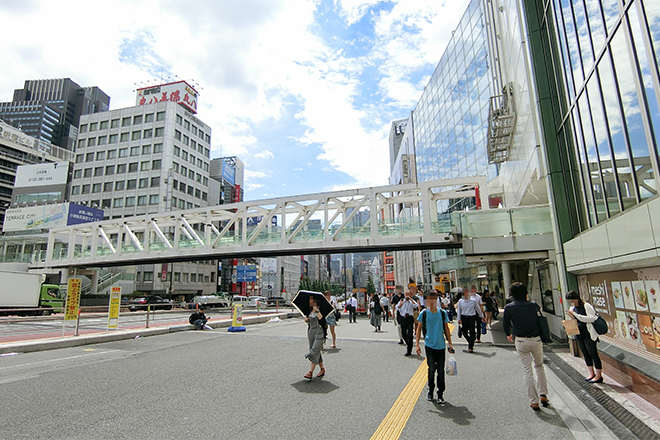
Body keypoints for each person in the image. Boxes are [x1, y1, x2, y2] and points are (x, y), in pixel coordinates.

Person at [503, 282, 549, 411]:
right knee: (539, 366)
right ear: (525, 293)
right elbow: (537, 311)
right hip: (536, 339)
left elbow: (506, 324)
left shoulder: (509, 307)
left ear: (512, 295)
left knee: (527, 370)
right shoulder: (533, 305)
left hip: (521, 340)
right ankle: (543, 395)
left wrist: (508, 334)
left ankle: (534, 401)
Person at [416, 289, 454, 404]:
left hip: (441, 345)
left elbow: (446, 329)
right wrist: (417, 345)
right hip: (429, 345)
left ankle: (440, 393)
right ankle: (431, 389)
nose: (432, 302)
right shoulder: (424, 313)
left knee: (441, 371)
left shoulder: (442, 313)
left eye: (434, 299)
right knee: (431, 369)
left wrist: (450, 343)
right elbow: (418, 329)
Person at [566, 290, 603, 383]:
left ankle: (599, 375)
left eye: (572, 300)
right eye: (569, 301)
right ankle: (591, 373)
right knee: (585, 353)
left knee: (593, 353)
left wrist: (576, 315)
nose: (571, 303)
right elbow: (574, 319)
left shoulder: (586, 306)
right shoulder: (573, 308)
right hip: (579, 333)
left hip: (588, 333)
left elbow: (592, 318)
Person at [304, 296, 326, 379]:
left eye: (312, 301)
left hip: (319, 332)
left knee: (314, 350)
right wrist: (306, 320)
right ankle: (322, 369)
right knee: (316, 350)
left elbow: (321, 318)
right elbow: (307, 319)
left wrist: (317, 310)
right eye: (310, 301)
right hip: (311, 332)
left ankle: (310, 372)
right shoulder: (308, 311)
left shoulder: (320, 309)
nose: (310, 302)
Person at [396, 290, 419, 356]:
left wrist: (411, 299)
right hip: (403, 318)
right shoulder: (401, 301)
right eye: (406, 294)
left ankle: (409, 350)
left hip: (410, 318)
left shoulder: (411, 302)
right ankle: (408, 343)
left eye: (409, 294)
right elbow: (397, 308)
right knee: (403, 334)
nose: (407, 296)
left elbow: (416, 305)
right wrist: (401, 303)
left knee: (410, 334)